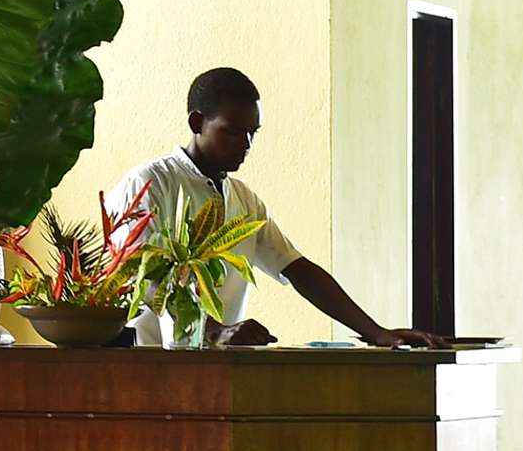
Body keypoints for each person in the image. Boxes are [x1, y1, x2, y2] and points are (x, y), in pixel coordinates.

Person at [105, 66, 439, 349]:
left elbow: (297, 268)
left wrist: (377, 333)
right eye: (233, 132)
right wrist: (214, 331)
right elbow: (146, 277)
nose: (246, 144)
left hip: (217, 371)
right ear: (197, 123)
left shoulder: (243, 199)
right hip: (149, 365)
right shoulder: (150, 184)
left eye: (252, 133)